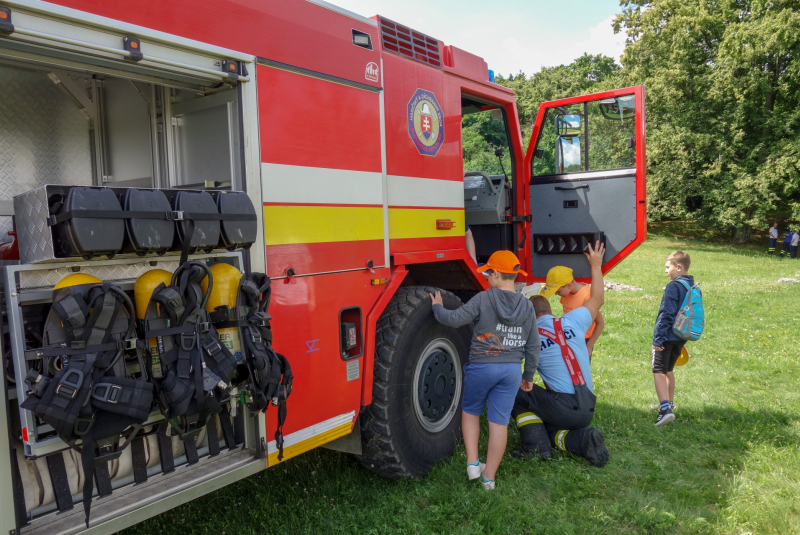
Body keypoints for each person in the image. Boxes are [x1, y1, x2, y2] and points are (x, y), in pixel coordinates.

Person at [429, 250, 539, 491]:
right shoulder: (527, 306)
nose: (487, 277)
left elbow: (455, 318)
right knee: (498, 423)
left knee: (470, 412)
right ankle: (489, 477)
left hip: (482, 367)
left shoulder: (484, 298)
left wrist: (437, 308)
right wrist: (528, 375)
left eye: (489, 272)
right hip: (511, 371)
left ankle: (472, 463)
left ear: (497, 274)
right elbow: (533, 344)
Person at [511, 242, 609, 467]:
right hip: (587, 406)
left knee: (514, 390)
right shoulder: (573, 320)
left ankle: (535, 446)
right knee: (552, 428)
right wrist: (596, 265)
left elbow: (508, 367)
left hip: (563, 406)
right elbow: (597, 300)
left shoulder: (530, 338)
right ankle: (583, 440)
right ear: (550, 311)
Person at [651, 250, 697, 426]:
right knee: (669, 369)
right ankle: (669, 402)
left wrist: (659, 339)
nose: (666, 271)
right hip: (681, 336)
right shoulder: (691, 286)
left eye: (667, 267)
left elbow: (667, 314)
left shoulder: (673, 286)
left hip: (667, 336)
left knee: (658, 370)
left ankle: (664, 410)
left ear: (679, 267)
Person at [538, 265, 605, 359]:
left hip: (583, 341)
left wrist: (589, 347)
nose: (556, 294)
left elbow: (600, 324)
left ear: (569, 285)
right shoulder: (566, 293)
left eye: (557, 291)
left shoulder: (587, 297)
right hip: (568, 338)